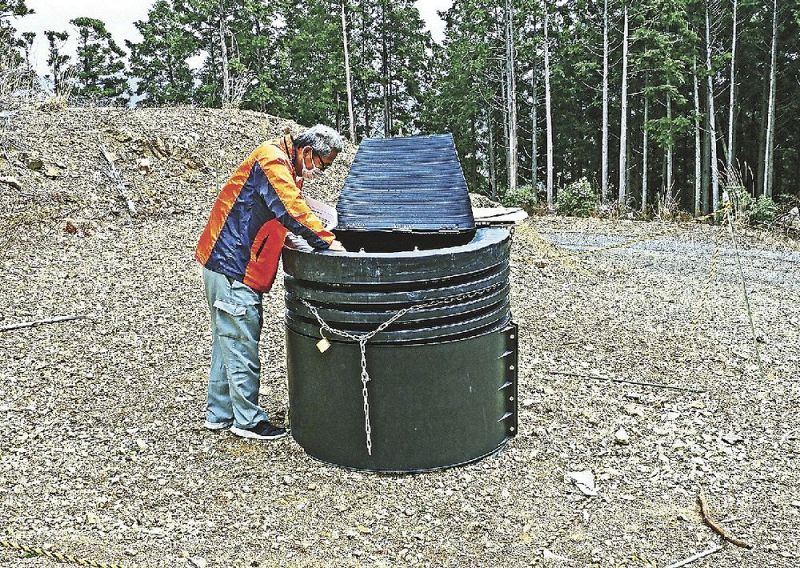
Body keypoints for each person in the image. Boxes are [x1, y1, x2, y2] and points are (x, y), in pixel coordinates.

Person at [195, 125, 345, 440]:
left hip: (225, 263)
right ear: (308, 152)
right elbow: (292, 209)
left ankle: (219, 413)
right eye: (322, 164)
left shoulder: (283, 164)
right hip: (234, 267)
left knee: (228, 342)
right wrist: (328, 243)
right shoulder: (272, 161)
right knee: (241, 344)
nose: (320, 171)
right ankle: (247, 421)